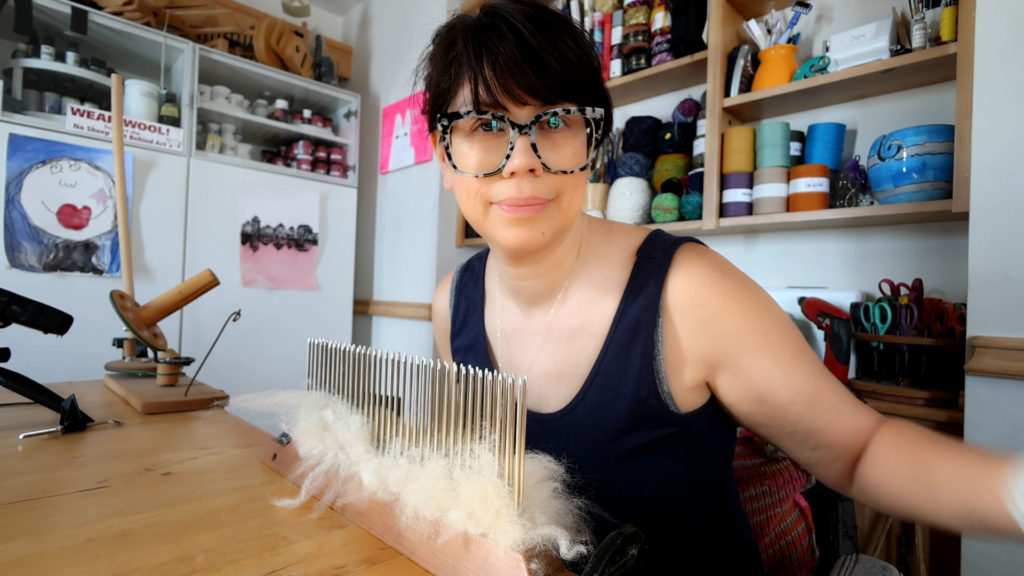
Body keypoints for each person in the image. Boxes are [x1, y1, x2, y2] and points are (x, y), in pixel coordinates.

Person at [419, 1, 1024, 573]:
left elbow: (859, 451)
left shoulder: (686, 293)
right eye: (482, 123)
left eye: (553, 120)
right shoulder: (453, 304)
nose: (521, 157)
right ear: (445, 158)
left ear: (592, 143)